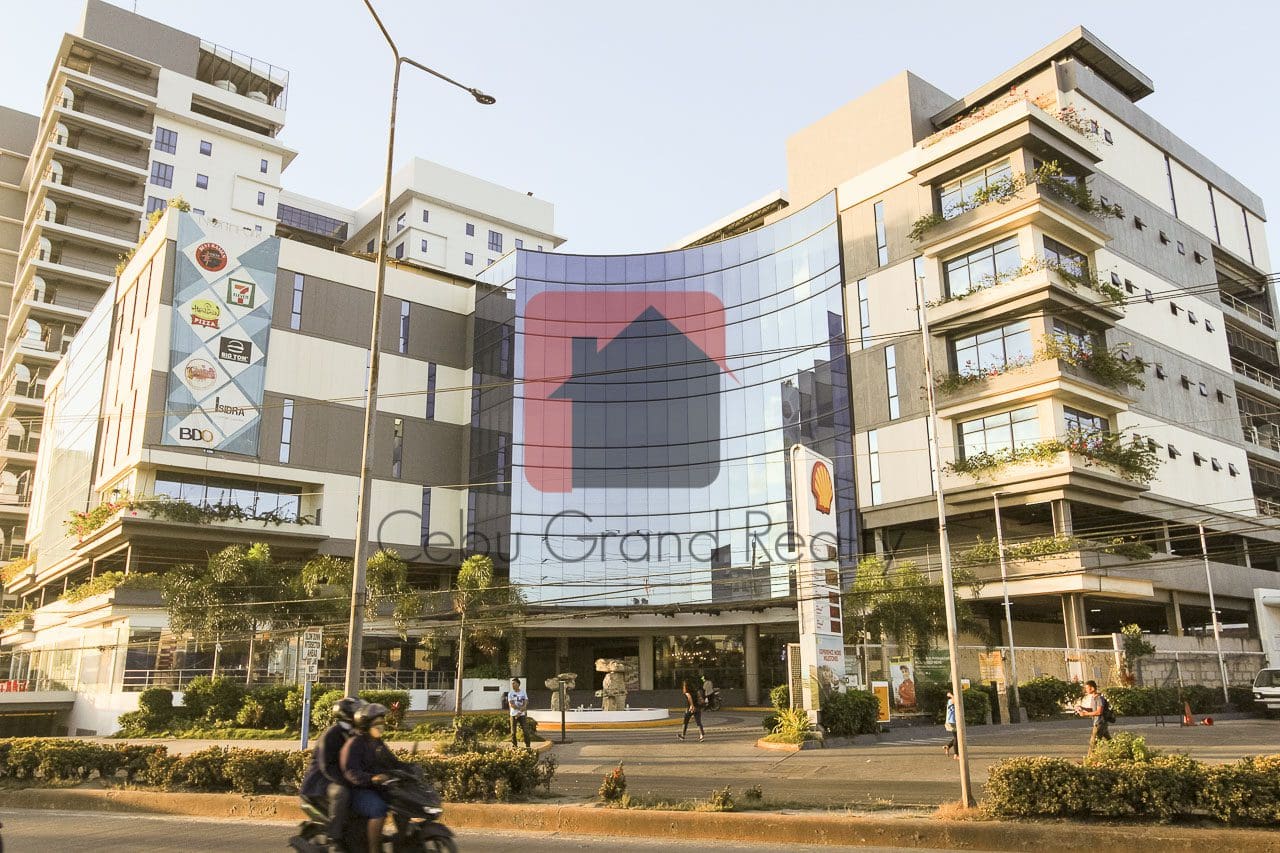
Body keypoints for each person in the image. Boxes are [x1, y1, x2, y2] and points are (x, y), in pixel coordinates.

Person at [340, 702, 411, 852]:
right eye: (377, 724)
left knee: (404, 803)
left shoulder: (377, 742)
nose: (381, 727)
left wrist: (411, 769)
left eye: (382, 723)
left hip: (377, 787)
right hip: (359, 790)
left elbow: (392, 762)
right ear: (366, 725)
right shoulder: (355, 743)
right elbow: (350, 772)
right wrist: (372, 778)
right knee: (378, 810)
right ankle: (374, 849)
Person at [300, 696, 365, 852]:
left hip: (343, 778)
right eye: (357, 711)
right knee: (341, 793)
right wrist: (349, 781)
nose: (360, 714)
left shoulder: (355, 733)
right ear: (347, 714)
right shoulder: (332, 734)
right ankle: (334, 839)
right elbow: (327, 767)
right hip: (323, 782)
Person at [1076, 680, 1111, 749]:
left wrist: (1085, 714)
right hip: (1099, 722)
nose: (1086, 690)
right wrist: (1082, 708)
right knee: (1109, 740)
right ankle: (1121, 751)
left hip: (1100, 723)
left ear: (1092, 688)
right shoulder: (1093, 698)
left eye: (1087, 688)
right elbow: (1093, 710)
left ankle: (1091, 756)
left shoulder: (1099, 698)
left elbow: (1099, 712)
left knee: (1093, 743)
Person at [507, 677, 531, 749]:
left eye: (514, 683)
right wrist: (520, 710)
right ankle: (514, 746)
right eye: (512, 684)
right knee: (513, 732)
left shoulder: (523, 692)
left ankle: (528, 746)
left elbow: (526, 702)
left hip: (522, 715)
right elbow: (512, 704)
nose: (512, 685)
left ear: (518, 684)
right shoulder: (510, 693)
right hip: (513, 715)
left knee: (525, 731)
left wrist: (520, 712)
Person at [942, 690, 958, 759]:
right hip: (952, 721)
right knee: (957, 737)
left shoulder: (951, 700)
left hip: (954, 721)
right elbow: (955, 701)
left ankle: (948, 746)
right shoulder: (951, 700)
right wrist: (951, 695)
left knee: (957, 737)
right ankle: (956, 755)